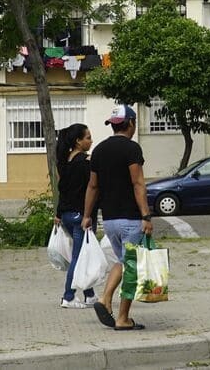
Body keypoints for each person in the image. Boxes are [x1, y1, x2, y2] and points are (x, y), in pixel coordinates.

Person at [82, 105, 154, 331]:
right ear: (131, 123)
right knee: (131, 267)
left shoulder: (100, 150)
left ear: (113, 125)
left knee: (122, 261)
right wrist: (146, 215)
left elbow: (92, 186)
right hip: (131, 219)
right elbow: (138, 183)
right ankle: (121, 317)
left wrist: (87, 216)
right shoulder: (132, 149)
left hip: (110, 220)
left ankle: (106, 300)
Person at [54, 123, 97, 309]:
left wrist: (58, 213)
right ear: (78, 141)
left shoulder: (65, 162)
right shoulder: (85, 163)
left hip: (68, 216)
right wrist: (89, 215)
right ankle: (68, 296)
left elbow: (63, 191)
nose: (91, 140)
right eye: (87, 137)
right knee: (79, 257)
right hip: (82, 216)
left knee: (83, 254)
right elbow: (92, 189)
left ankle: (89, 294)